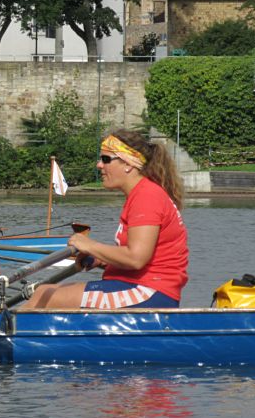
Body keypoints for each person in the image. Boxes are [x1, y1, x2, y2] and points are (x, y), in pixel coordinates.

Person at [23, 129, 188, 310]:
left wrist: (89, 245)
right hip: (138, 285)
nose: (99, 165)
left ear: (128, 164)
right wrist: (102, 259)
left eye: (105, 159)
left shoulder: (147, 196)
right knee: (43, 292)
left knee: (46, 298)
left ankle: (8, 328)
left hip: (149, 291)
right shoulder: (142, 194)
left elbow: (136, 258)